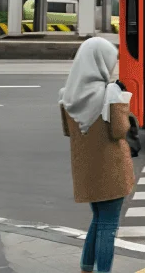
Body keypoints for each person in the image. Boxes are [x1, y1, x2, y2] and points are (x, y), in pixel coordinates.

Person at [59, 38, 135, 273]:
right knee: (108, 225)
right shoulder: (109, 92)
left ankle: (86, 266)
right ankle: (103, 270)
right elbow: (119, 131)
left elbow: (67, 131)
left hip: (86, 170)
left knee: (98, 219)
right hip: (111, 169)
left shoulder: (67, 96)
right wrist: (122, 102)